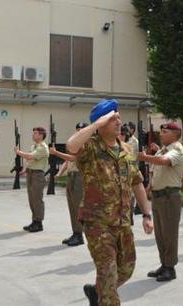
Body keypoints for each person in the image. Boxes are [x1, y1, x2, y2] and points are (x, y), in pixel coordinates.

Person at [67, 99, 153, 306]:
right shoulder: (90, 147)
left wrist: (147, 215)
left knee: (126, 269)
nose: (118, 122)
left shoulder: (126, 150)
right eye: (112, 118)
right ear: (101, 122)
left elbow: (137, 183)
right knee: (107, 273)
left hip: (123, 221)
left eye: (118, 117)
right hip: (98, 222)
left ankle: (97, 294)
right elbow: (71, 146)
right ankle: (104, 296)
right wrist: (95, 125)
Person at [138, 122, 183, 282]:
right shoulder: (161, 150)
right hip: (158, 197)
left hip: (169, 197)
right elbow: (155, 173)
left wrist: (145, 157)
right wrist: (147, 190)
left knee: (169, 234)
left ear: (175, 134)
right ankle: (164, 264)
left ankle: (170, 268)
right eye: (161, 131)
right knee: (160, 234)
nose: (161, 134)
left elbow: (164, 162)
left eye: (165, 132)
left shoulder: (177, 149)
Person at [50, 122, 88, 246]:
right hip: (71, 176)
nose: (78, 132)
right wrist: (60, 173)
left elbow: (73, 159)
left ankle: (79, 234)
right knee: (72, 206)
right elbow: (68, 161)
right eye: (77, 130)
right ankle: (75, 232)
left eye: (81, 130)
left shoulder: (87, 144)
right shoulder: (75, 144)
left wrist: (56, 153)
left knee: (78, 206)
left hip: (80, 177)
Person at [15, 127, 49, 232]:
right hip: (31, 173)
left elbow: (29, 156)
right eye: (33, 133)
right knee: (32, 199)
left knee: (37, 199)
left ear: (41, 135)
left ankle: (39, 223)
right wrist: (25, 169)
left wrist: (18, 152)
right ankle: (34, 221)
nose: (33, 135)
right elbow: (30, 160)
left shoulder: (43, 147)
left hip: (38, 174)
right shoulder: (34, 146)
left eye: (35, 133)